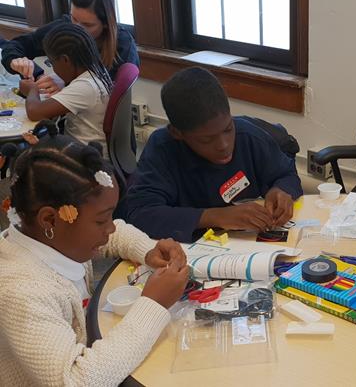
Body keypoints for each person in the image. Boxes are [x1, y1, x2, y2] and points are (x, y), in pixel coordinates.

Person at [0, 126, 189, 385]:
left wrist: (147, 249)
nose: (110, 227)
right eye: (102, 220)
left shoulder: (52, 237)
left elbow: (115, 233)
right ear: (50, 219)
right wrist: (153, 304)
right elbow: (76, 380)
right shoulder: (23, 292)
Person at [124, 67, 303, 242]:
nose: (223, 145)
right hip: (192, 252)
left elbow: (286, 173)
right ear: (177, 133)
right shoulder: (163, 149)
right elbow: (138, 213)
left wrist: (281, 190)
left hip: (250, 248)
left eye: (228, 129)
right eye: (206, 140)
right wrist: (214, 216)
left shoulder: (249, 137)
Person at [1, 0, 138, 95]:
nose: (76, 28)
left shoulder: (123, 45)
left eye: (87, 25)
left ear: (106, 24)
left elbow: (105, 93)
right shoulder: (65, 26)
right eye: (74, 18)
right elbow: (16, 46)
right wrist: (28, 68)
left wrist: (65, 84)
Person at [19, 22, 112, 155]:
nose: (54, 69)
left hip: (85, 160)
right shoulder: (97, 71)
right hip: (84, 150)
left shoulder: (85, 86)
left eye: (51, 62)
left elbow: (34, 112)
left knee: (25, 153)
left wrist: (31, 90)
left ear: (65, 60)